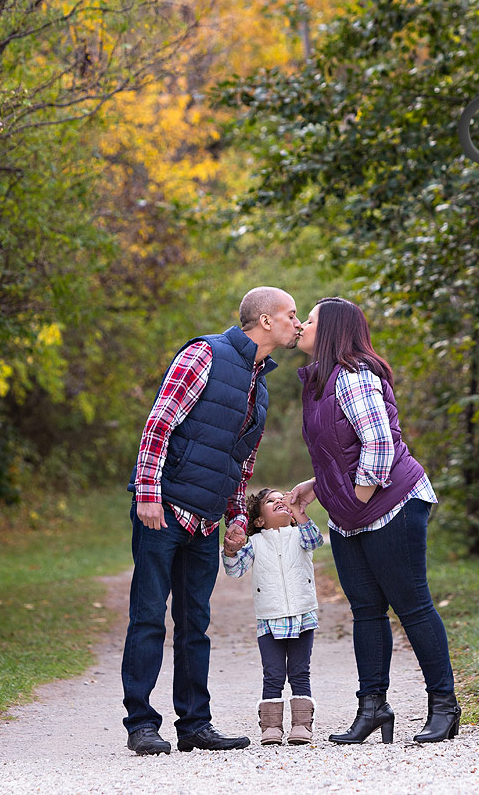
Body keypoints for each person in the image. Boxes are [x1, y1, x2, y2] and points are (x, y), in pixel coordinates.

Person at [121, 287, 302, 756]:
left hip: (204, 522)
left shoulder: (259, 386)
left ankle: (194, 725)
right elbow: (159, 423)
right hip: (163, 512)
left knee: (194, 623)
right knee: (147, 619)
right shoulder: (205, 354)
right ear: (265, 321)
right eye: (291, 315)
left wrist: (238, 517)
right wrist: (147, 493)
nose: (297, 324)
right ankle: (141, 724)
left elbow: (242, 463)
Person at [286, 296, 461, 745]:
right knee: (366, 610)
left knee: (412, 605)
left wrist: (357, 496)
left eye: (309, 320)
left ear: (331, 333)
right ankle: (373, 707)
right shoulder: (320, 382)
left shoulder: (354, 375)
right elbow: (341, 446)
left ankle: (444, 707)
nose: (301, 326)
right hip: (351, 511)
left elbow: (380, 444)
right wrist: (318, 485)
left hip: (393, 503)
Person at [222, 488, 323, 745]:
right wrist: (232, 551)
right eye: (271, 501)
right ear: (259, 520)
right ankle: (271, 726)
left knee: (300, 671)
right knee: (273, 673)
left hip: (302, 615)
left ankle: (301, 725)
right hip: (269, 618)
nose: (279, 501)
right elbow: (235, 571)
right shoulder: (255, 543)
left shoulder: (300, 534)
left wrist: (299, 512)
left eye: (283, 499)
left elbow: (316, 540)